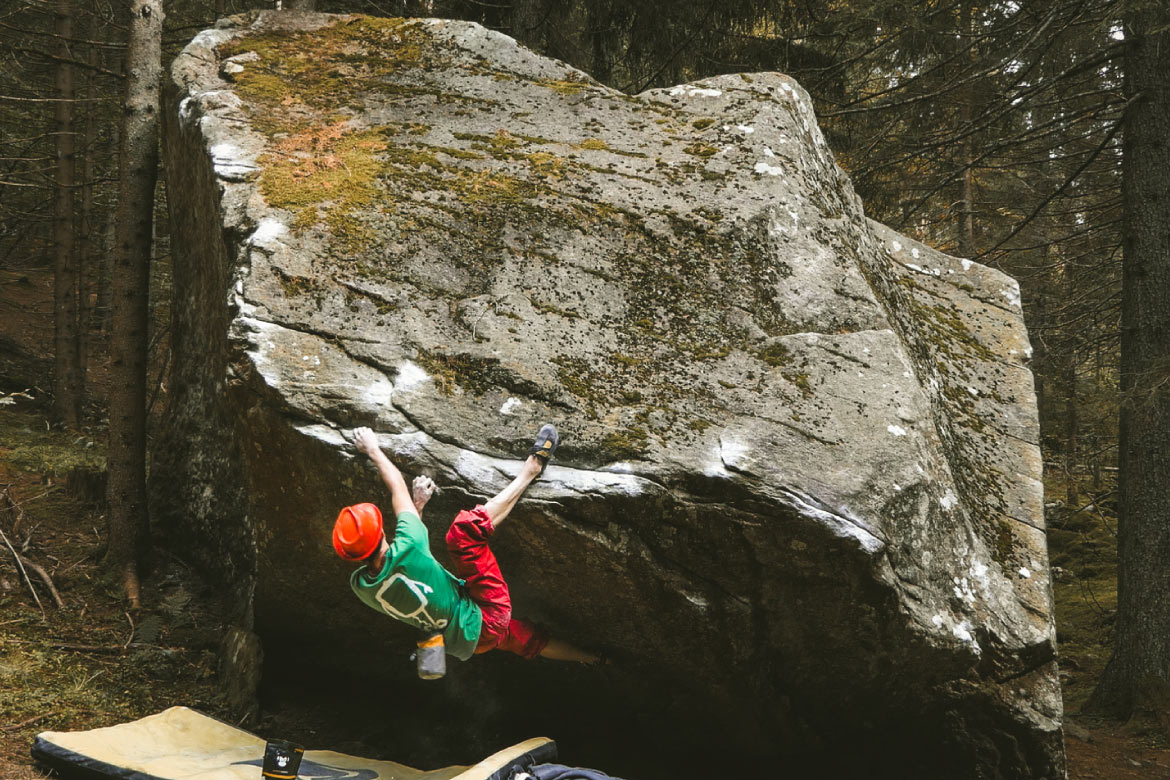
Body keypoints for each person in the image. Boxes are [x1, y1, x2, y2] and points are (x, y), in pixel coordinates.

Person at [333, 423, 601, 666]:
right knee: (462, 535)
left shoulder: (360, 587)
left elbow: (413, 567)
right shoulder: (408, 544)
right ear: (380, 530)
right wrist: (372, 449)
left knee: (526, 639)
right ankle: (532, 469)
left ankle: (593, 658)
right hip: (487, 615)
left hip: (468, 641)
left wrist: (418, 508)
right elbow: (397, 488)